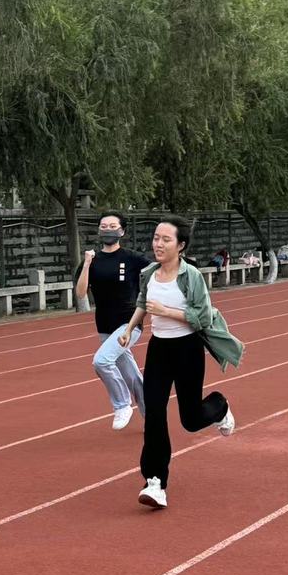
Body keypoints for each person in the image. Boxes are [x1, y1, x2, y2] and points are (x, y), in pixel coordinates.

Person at [119, 217, 243, 509]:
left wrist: (166, 311)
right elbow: (142, 303)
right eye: (156, 238)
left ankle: (219, 406)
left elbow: (202, 316)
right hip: (159, 349)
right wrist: (129, 329)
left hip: (187, 349)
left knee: (191, 419)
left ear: (181, 245)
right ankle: (155, 482)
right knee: (154, 414)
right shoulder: (149, 273)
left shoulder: (191, 276)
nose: (158, 244)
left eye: (166, 239)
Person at [74, 212, 150, 430]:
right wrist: (87, 264)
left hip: (129, 323)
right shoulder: (92, 260)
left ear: (122, 231)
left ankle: (122, 404)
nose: (108, 229)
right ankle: (152, 415)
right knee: (131, 375)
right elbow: (80, 293)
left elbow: (157, 273)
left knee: (102, 361)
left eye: (113, 226)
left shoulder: (133, 258)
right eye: (104, 226)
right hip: (105, 326)